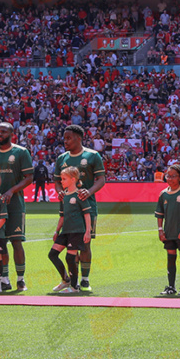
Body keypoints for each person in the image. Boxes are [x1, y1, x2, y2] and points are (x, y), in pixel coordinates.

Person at [53, 125, 106, 292]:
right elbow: (56, 181)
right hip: (68, 210)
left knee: (85, 243)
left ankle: (85, 279)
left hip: (87, 207)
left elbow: (101, 179)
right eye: (64, 138)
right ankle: (72, 280)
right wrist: (61, 192)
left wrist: (88, 192)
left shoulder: (92, 156)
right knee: (70, 246)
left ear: (78, 138)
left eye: (68, 138)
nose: (65, 141)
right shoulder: (61, 158)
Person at [0, 122, 34, 292]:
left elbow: (29, 178)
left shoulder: (20, 152)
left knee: (16, 241)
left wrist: (11, 191)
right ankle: (4, 279)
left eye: (3, 131)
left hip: (15, 204)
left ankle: (20, 279)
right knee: (0, 243)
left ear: (12, 134)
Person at [48, 167, 92, 294]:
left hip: (77, 231)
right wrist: (57, 231)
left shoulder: (80, 195)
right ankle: (66, 280)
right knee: (52, 254)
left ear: (73, 179)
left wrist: (87, 231)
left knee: (70, 257)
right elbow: (62, 216)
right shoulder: (63, 196)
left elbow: (87, 214)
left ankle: (74, 286)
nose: (61, 181)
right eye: (61, 179)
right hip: (65, 232)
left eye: (64, 179)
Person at [155, 163, 180, 296]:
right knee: (170, 258)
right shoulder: (163, 194)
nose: (170, 178)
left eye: (173, 176)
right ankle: (171, 287)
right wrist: (160, 230)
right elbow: (159, 214)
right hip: (168, 233)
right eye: (168, 175)